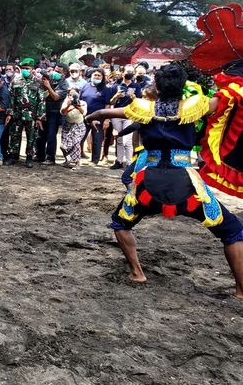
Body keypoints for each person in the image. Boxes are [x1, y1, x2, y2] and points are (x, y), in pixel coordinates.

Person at [85, 64, 243, 297]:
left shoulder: (143, 109)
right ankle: (241, 290)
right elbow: (226, 99)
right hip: (188, 184)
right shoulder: (195, 106)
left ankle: (137, 272)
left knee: (120, 223)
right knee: (232, 231)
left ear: (156, 85)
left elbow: (105, 113)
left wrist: (93, 117)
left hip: (150, 182)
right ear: (183, 86)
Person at [6, 58, 46, 167]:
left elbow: (41, 101)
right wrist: (10, 113)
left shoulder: (38, 82)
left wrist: (39, 117)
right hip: (17, 114)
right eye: (23, 68)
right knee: (14, 135)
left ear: (32, 69)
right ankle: (13, 156)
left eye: (27, 68)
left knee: (31, 137)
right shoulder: (15, 80)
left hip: (31, 115)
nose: (25, 70)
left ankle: (29, 158)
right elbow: (12, 98)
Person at [108, 69, 139, 169]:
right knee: (119, 139)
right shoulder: (115, 85)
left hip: (129, 114)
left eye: (131, 72)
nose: (128, 74)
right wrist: (116, 96)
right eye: (127, 71)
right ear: (122, 73)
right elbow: (111, 102)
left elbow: (139, 102)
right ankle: (119, 161)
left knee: (128, 140)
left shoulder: (136, 86)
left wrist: (133, 98)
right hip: (117, 114)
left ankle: (129, 162)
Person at [37, 67, 68, 164]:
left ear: (64, 73)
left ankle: (50, 157)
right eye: (55, 70)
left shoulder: (64, 84)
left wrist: (48, 87)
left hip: (54, 112)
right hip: (43, 110)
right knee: (40, 134)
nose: (55, 73)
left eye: (59, 72)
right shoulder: (49, 79)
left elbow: (56, 97)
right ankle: (39, 155)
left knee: (51, 135)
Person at [79, 68, 111, 165]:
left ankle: (95, 160)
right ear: (91, 76)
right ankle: (77, 156)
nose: (96, 77)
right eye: (95, 75)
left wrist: (106, 120)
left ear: (102, 77)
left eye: (99, 76)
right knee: (80, 137)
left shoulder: (106, 89)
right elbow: (80, 100)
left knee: (97, 139)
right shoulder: (85, 86)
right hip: (84, 116)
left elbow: (107, 105)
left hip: (98, 118)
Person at [60, 88, 87, 168]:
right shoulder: (66, 102)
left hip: (79, 126)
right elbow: (62, 113)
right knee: (63, 146)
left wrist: (78, 107)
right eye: (71, 95)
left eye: (74, 95)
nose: (73, 96)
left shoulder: (82, 103)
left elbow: (84, 113)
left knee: (76, 144)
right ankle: (68, 160)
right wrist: (68, 105)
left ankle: (77, 163)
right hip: (67, 126)